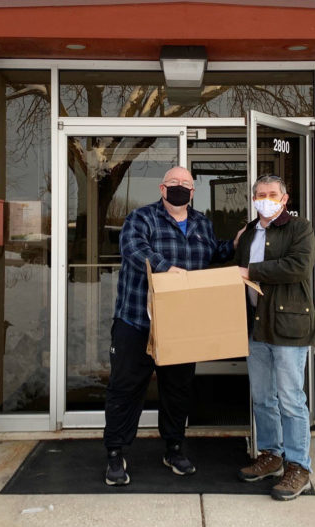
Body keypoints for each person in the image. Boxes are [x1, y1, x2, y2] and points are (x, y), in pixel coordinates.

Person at [104, 166, 244, 486]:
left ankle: (174, 448)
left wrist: (235, 245)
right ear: (162, 188)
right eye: (174, 183)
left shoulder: (202, 224)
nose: (180, 188)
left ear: (193, 193)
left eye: (186, 184)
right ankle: (115, 453)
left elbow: (212, 254)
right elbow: (134, 249)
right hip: (137, 321)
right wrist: (167, 269)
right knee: (126, 390)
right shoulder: (142, 218)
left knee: (177, 391)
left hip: (181, 325)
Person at [234, 174, 315, 501]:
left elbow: (298, 267)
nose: (264, 199)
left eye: (271, 194)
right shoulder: (249, 233)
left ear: (284, 199)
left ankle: (299, 467)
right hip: (255, 327)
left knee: (291, 399)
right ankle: (271, 455)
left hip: (287, 327)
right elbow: (235, 270)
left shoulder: (300, 228)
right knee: (263, 397)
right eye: (259, 194)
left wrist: (251, 271)